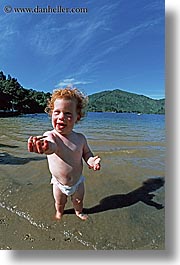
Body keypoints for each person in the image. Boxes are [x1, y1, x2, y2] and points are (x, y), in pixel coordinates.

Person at [27, 88, 101, 221]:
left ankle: (78, 212)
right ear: (51, 114)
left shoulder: (80, 138)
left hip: (78, 182)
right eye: (57, 112)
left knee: (78, 202)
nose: (61, 117)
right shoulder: (51, 136)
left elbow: (87, 153)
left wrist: (91, 161)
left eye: (67, 113)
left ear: (77, 117)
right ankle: (59, 213)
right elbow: (51, 146)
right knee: (60, 202)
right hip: (59, 183)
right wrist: (44, 146)